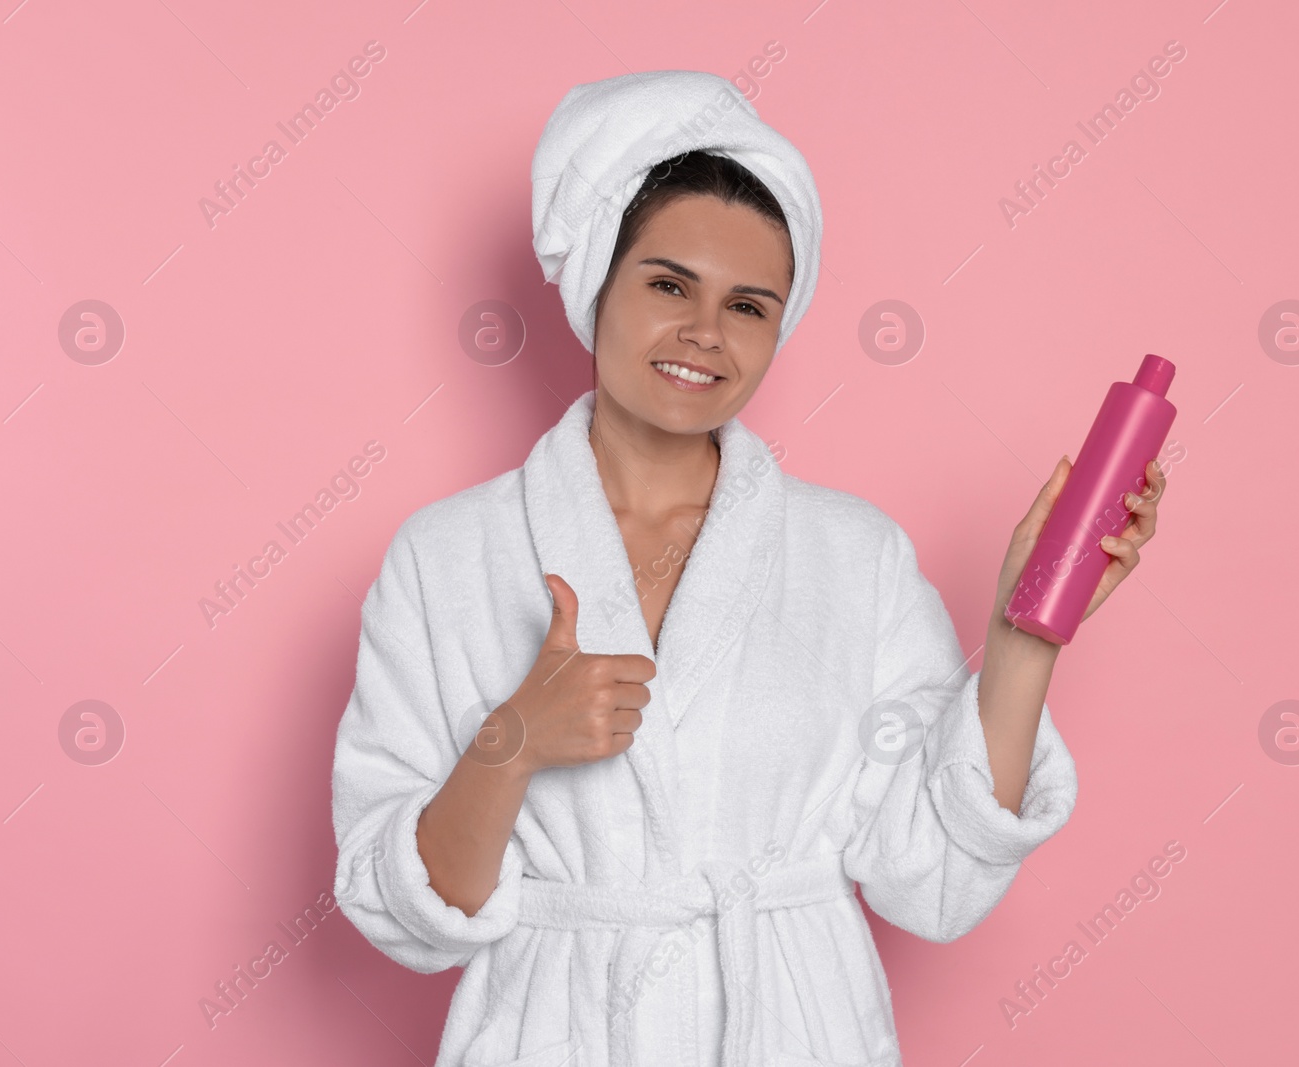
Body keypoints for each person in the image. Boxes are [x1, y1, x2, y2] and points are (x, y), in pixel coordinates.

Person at [330, 70, 1165, 1067]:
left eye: (749, 305)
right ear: (597, 277)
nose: (704, 334)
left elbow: (933, 875)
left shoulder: (852, 555)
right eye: (668, 284)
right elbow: (406, 916)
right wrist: (512, 742)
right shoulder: (446, 558)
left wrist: (1024, 638)